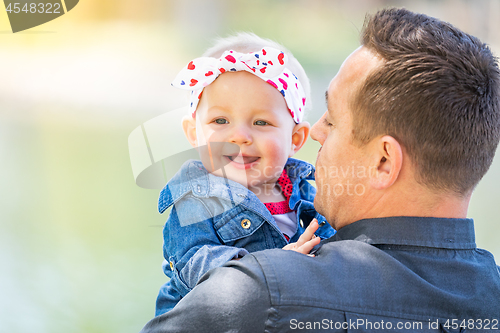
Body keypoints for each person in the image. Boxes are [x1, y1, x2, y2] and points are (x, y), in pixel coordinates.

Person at [140, 8, 500, 332]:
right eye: (220, 120)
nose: (315, 132)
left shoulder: (258, 296)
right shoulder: (491, 296)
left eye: (333, 121)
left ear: (384, 161)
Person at [154, 32, 336, 316]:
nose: (239, 136)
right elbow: (195, 263)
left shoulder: (308, 195)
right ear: (194, 132)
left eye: (261, 122)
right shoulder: (195, 197)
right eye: (220, 120)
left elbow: (335, 242)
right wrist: (273, 269)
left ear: (296, 138)